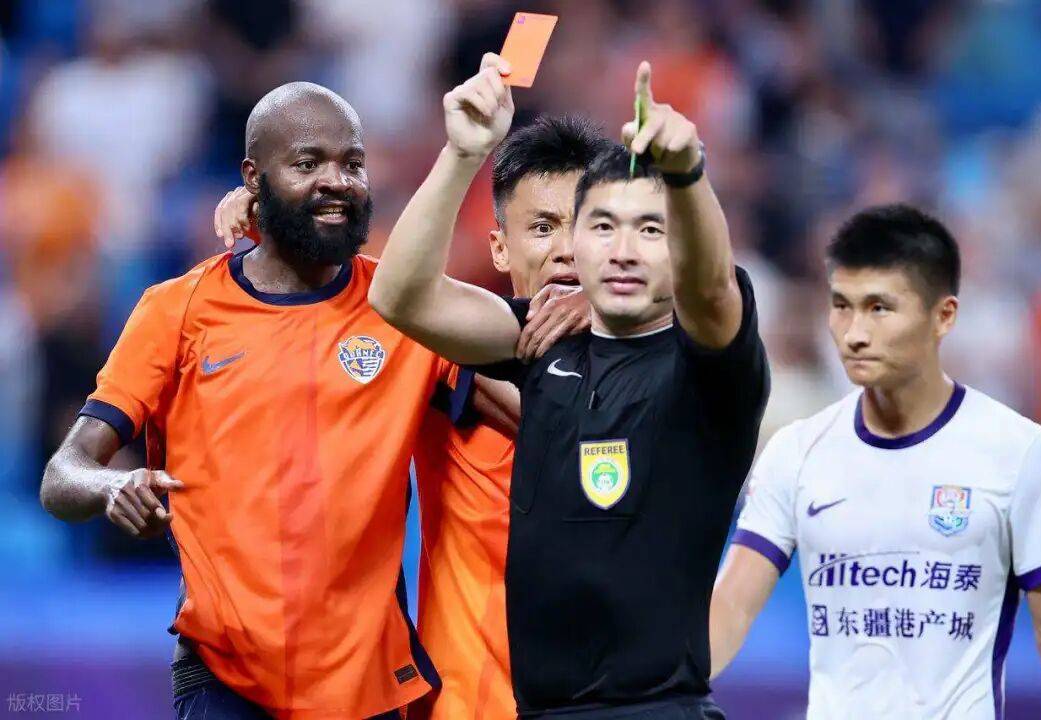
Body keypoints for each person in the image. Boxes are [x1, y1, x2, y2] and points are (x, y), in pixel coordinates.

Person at [42, 81, 470, 720]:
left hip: (369, 685)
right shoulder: (176, 310)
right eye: (307, 163)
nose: (337, 181)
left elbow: (522, 383)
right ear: (252, 178)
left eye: (352, 163)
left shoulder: (403, 309)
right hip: (225, 680)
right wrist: (112, 486)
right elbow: (62, 475)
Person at [369, 54, 769, 718]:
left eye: (649, 230)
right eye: (602, 227)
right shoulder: (538, 345)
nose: (622, 249)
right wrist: (463, 153)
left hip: (655, 710)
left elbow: (710, 289)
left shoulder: (708, 368)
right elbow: (401, 298)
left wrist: (687, 175)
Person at [213, 114, 606, 720]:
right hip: (474, 706)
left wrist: (614, 311)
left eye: (587, 226)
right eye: (542, 227)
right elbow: (358, 295)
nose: (566, 249)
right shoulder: (438, 343)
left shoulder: (667, 366)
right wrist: (282, 219)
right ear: (500, 247)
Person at [709, 204, 1041, 719]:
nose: (854, 333)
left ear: (943, 316)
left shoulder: (1018, 452)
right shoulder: (796, 451)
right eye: (842, 306)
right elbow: (732, 606)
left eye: (879, 308)